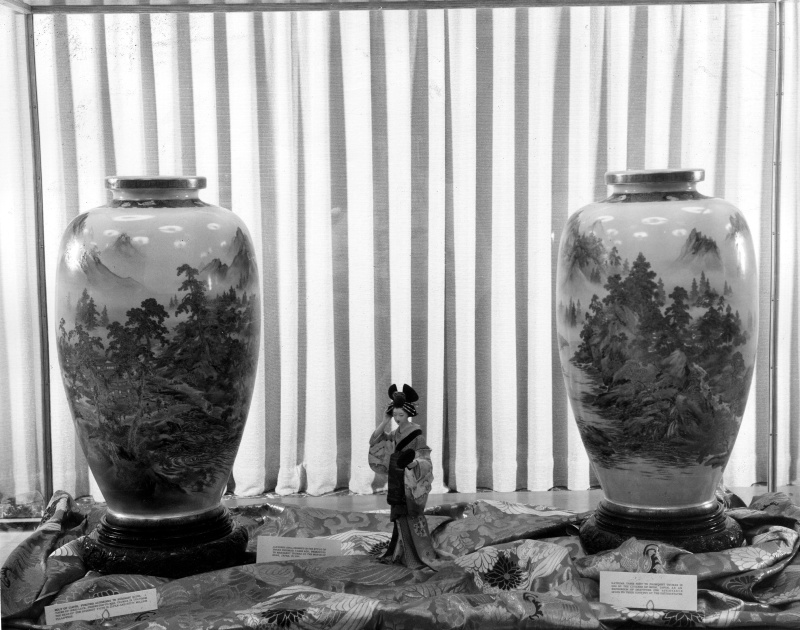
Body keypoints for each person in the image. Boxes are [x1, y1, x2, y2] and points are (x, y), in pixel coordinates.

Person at [368, 384, 438, 570]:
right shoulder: (395, 433)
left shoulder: (416, 435)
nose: (397, 419)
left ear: (409, 414)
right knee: (399, 516)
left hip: (410, 479)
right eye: (395, 415)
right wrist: (385, 420)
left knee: (410, 515)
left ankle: (414, 555)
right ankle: (398, 551)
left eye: (401, 415)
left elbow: (424, 460)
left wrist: (412, 464)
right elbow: (375, 440)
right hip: (396, 478)